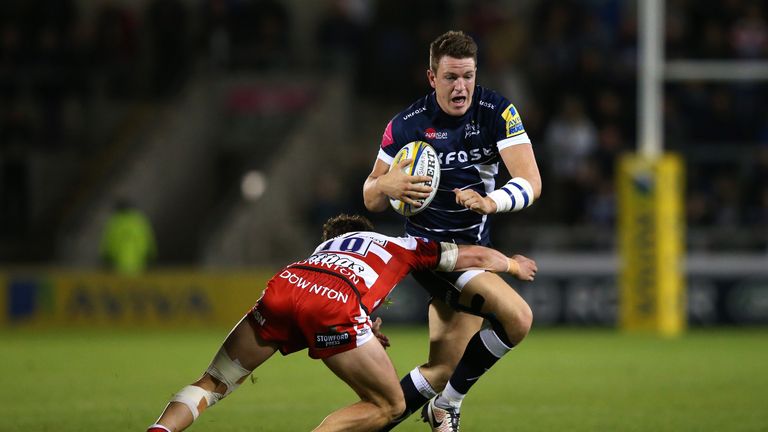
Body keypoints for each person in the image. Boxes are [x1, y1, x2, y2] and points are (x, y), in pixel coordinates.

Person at [146, 214, 537, 432]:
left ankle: (159, 431)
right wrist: (512, 264)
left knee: (215, 381)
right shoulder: (395, 245)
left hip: (287, 282)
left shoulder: (323, 249)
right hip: (333, 302)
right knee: (389, 405)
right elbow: (471, 256)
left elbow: (316, 296)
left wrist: (363, 325)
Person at [362, 30, 542, 431]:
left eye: (468, 76)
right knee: (518, 318)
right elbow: (370, 195)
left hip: (473, 248)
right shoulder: (406, 124)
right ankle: (447, 407)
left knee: (443, 368)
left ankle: (370, 424)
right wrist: (385, 185)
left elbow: (531, 181)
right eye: (450, 78)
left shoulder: (496, 111)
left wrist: (491, 202)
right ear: (432, 78)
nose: (461, 87)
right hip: (431, 253)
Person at [99, 198, 157, 276]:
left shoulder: (114, 223)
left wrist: (105, 257)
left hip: (117, 267)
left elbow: (107, 244)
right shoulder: (140, 221)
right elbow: (148, 241)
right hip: (139, 266)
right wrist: (152, 255)